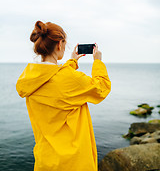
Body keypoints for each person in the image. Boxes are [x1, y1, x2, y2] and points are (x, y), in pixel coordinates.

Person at [16, 20, 111, 171]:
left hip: (45, 161)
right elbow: (102, 88)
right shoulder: (69, 78)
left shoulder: (29, 80)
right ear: (60, 44)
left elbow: (55, 76)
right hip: (74, 163)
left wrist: (72, 61)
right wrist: (97, 62)